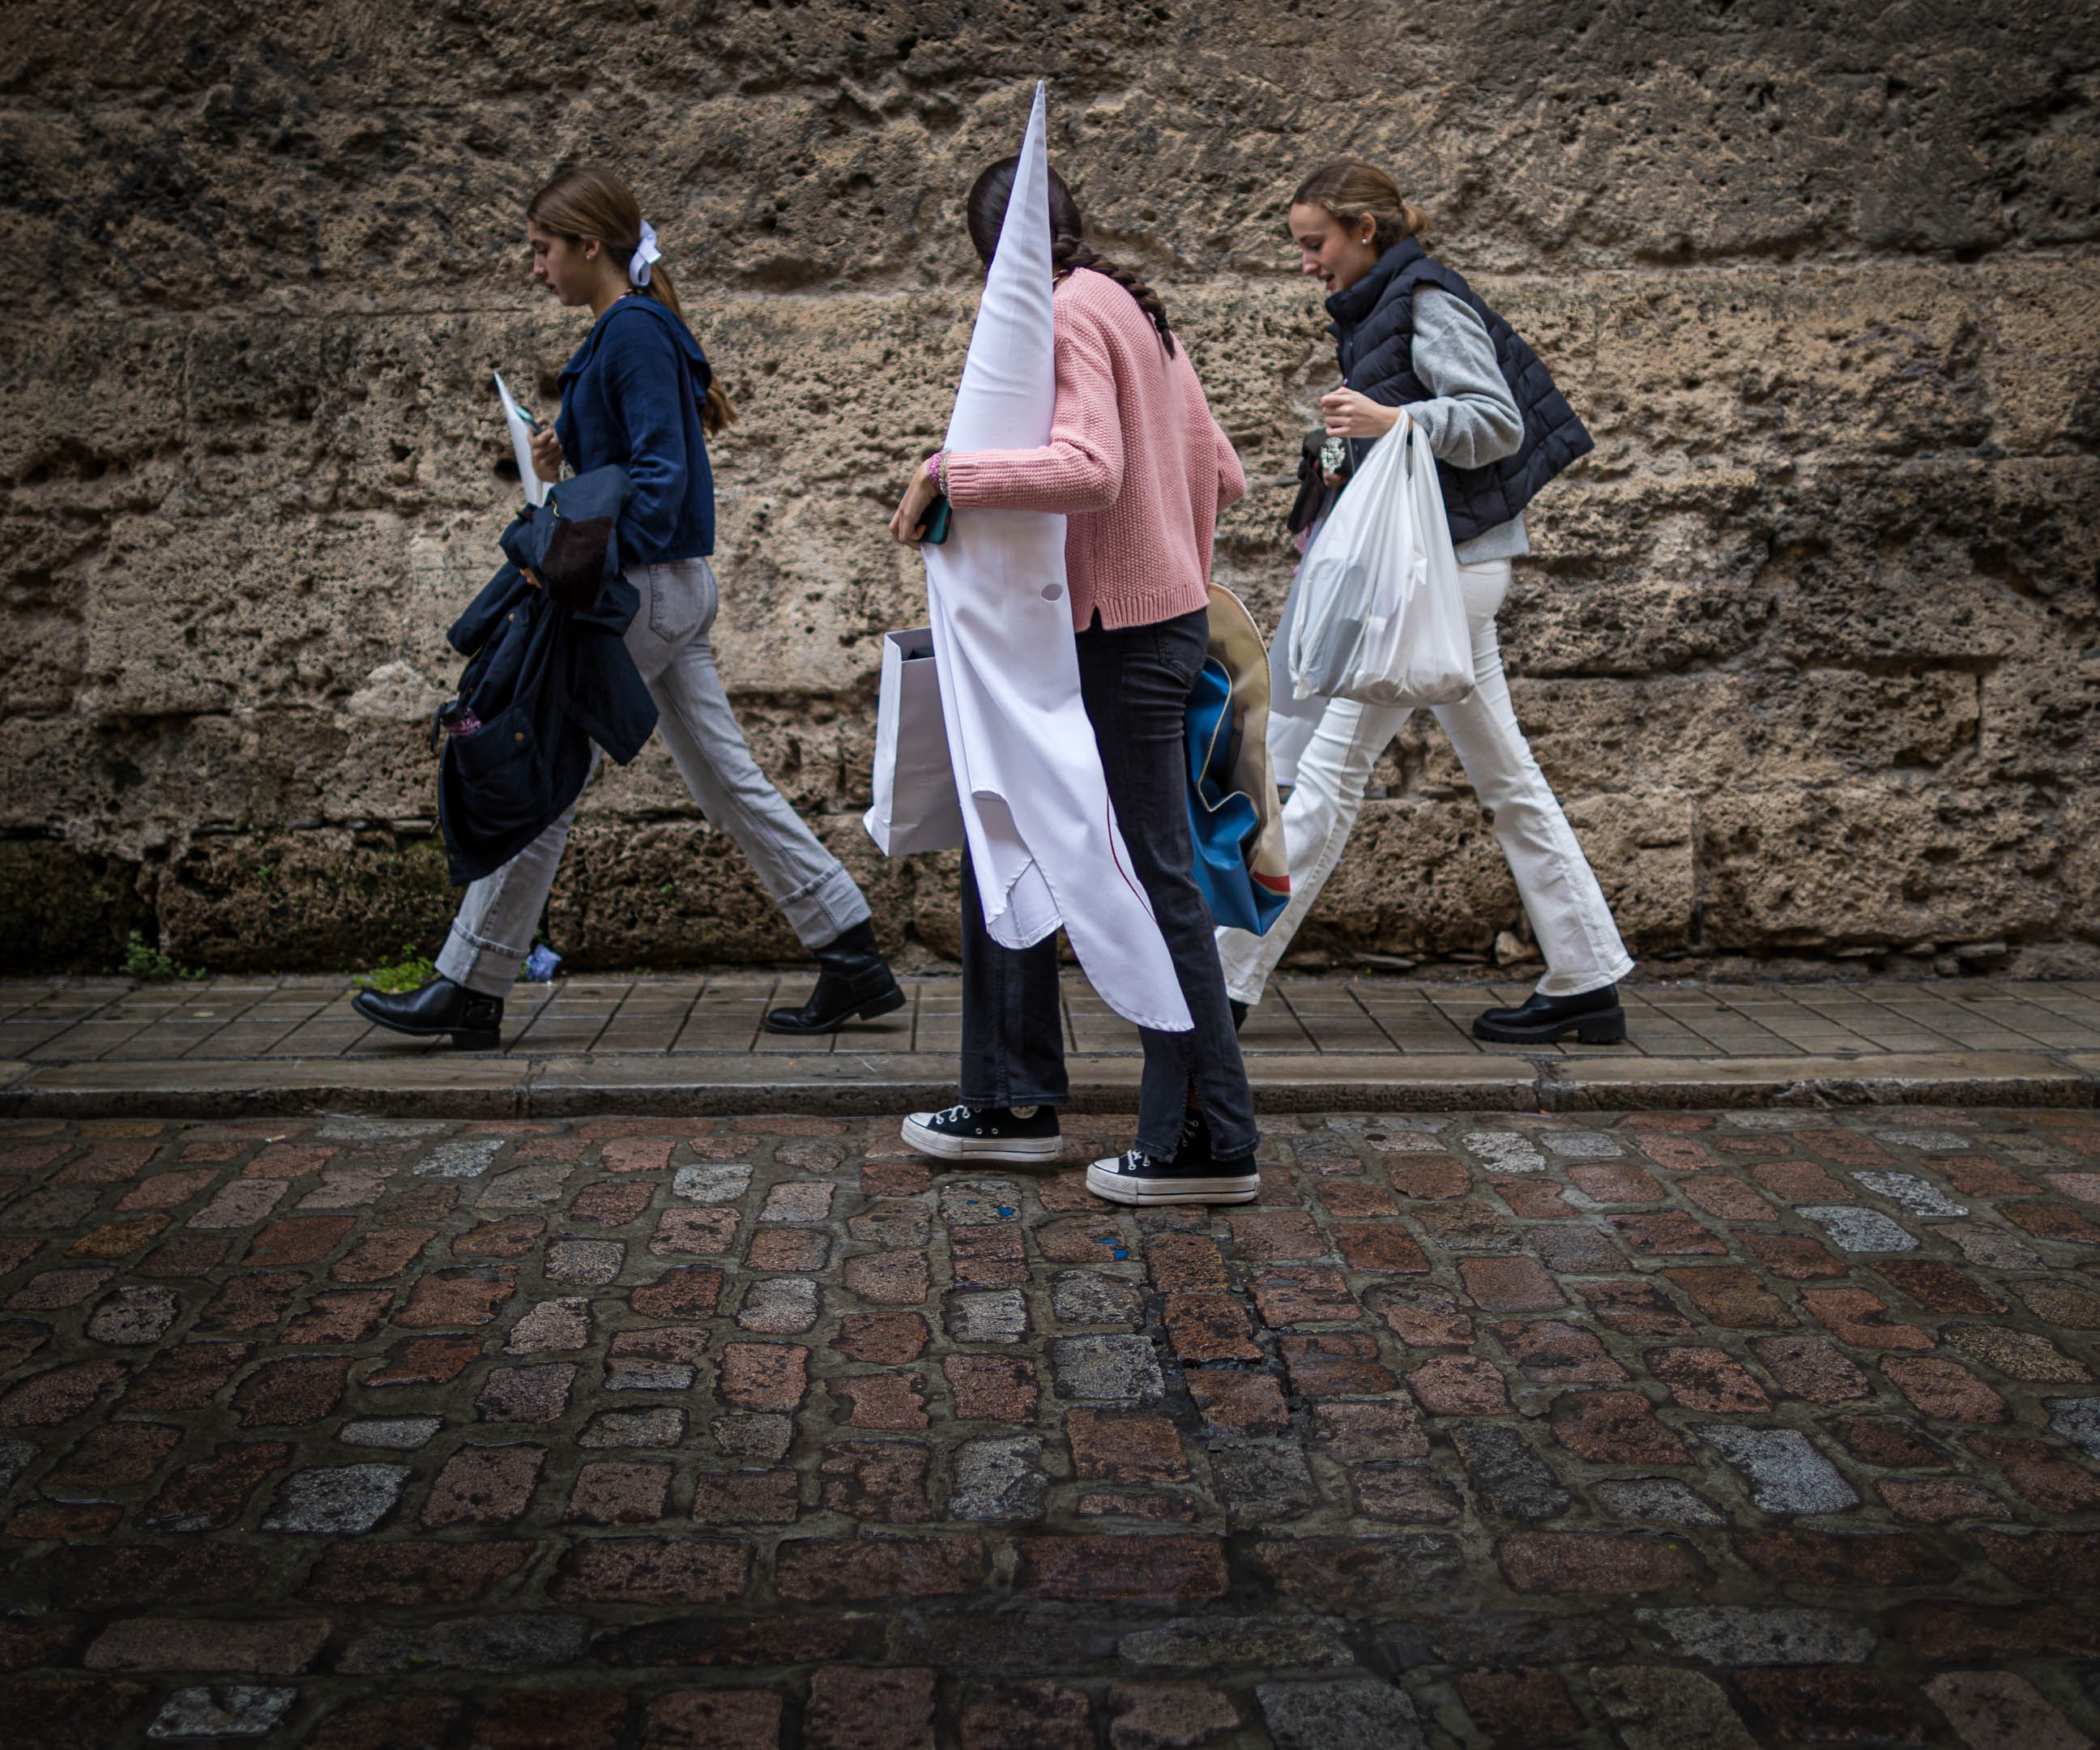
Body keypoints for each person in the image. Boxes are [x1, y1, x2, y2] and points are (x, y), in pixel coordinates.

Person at [354, 166, 898, 1051]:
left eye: (543, 251)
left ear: (589, 246)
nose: (537, 270)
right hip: (666, 589)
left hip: (637, 592)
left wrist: (570, 556)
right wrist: (571, 442)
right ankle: (851, 951)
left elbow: (659, 482)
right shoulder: (627, 333)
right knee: (727, 782)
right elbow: (642, 460)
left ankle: (470, 982)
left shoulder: (633, 332)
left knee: (538, 767)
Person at [887, 158, 1260, 1206]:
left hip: (1119, 642)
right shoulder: (1132, 307)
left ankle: (1212, 1139)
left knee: (1149, 878)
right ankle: (1009, 1098)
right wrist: (1172, 559)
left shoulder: (1063, 311)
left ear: (993, 253)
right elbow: (1220, 469)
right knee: (1013, 837)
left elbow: (1090, 468)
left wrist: (948, 473)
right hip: (1148, 628)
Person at [1221, 160, 1633, 1044]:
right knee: (1507, 777)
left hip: (1436, 575)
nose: (1305, 263)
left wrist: (1392, 423)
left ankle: (1220, 985)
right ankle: (1586, 974)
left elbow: (1494, 420)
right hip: (1442, 570)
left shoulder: (1426, 297)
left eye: (1314, 243)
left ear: (1364, 230)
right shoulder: (1380, 306)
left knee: (1328, 773)